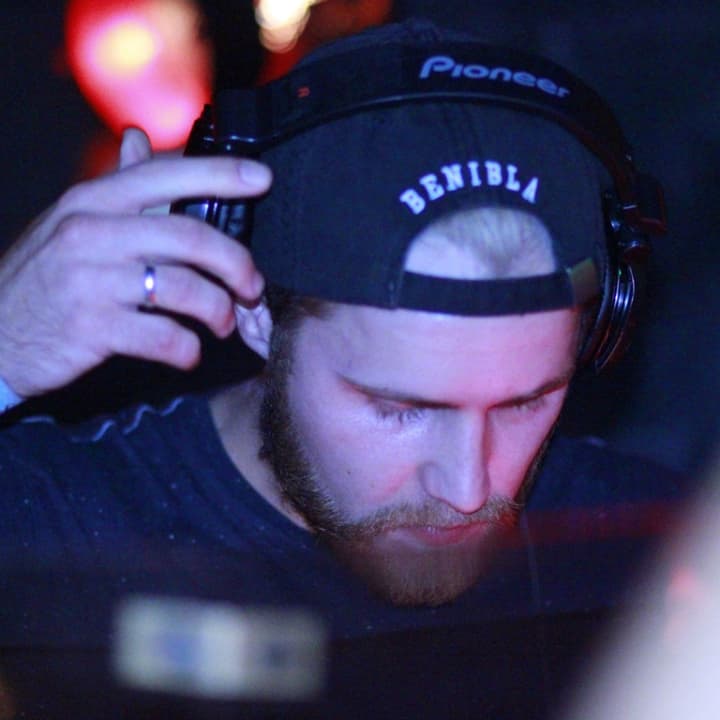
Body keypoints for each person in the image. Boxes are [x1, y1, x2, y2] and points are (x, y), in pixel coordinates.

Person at [0, 20, 682, 636]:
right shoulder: (56, 523)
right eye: (399, 408)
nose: (467, 490)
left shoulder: (650, 556)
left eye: (524, 402)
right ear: (259, 314)